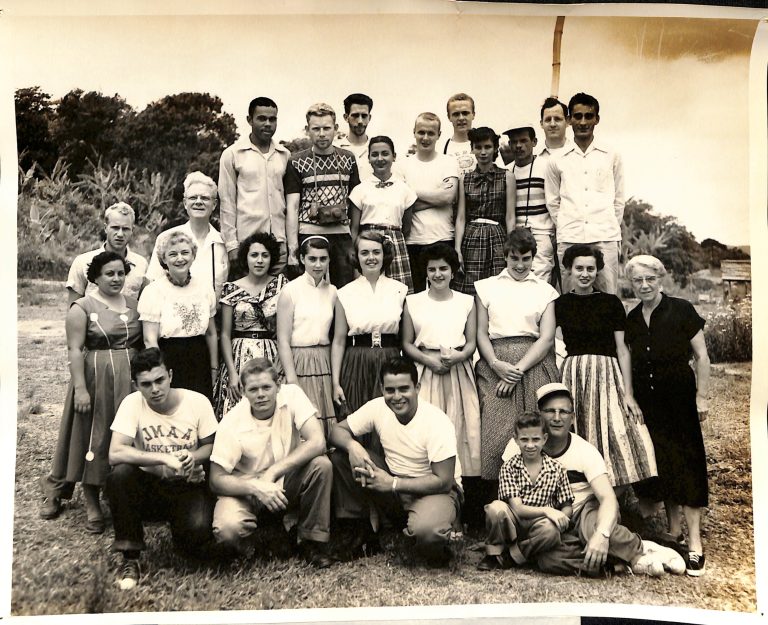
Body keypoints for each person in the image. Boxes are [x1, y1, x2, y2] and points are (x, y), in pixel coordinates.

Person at [502, 383, 681, 577]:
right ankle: (618, 561)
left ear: (573, 418)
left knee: (592, 529)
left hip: (582, 510)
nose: (557, 418)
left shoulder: (584, 450)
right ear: (539, 415)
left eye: (563, 412)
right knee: (549, 560)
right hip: (546, 519)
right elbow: (509, 495)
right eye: (550, 411)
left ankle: (639, 551)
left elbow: (608, 498)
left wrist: (602, 534)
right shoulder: (520, 445)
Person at [40, 251, 143, 532]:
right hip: (96, 377)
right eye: (109, 274)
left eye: (120, 273)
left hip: (129, 380)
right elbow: (74, 349)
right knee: (93, 437)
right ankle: (92, 502)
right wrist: (80, 389)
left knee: (125, 435)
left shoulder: (135, 305)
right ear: (95, 277)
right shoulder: (82, 307)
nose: (116, 278)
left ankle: (122, 495)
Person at [329, 356, 463, 567]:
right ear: (382, 389)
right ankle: (361, 530)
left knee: (427, 533)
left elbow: (444, 481)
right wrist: (353, 446)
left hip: (433, 491)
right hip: (394, 487)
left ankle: (438, 529)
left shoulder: (436, 421)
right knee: (341, 456)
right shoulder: (378, 407)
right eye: (390, 390)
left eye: (404, 389)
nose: (397, 397)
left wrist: (392, 483)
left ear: (417, 388)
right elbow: (336, 431)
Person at [624, 255, 711, 576]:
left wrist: (701, 397)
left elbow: (702, 356)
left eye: (650, 279)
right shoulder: (633, 318)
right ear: (631, 284)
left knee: (688, 462)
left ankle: (695, 543)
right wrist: (631, 397)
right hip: (650, 403)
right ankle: (674, 533)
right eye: (638, 280)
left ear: (661, 279)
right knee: (663, 464)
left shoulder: (682, 309)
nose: (644, 285)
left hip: (680, 399)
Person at [106, 348, 218, 590]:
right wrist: (163, 459)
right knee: (120, 474)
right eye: (146, 384)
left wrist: (192, 457)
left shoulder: (197, 402)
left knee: (195, 539)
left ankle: (183, 532)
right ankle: (130, 557)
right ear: (136, 385)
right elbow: (115, 453)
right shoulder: (132, 403)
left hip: (188, 484)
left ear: (171, 375)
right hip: (149, 486)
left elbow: (211, 447)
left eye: (160, 380)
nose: (155, 389)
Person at [210, 358, 335, 568]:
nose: (260, 394)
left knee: (321, 466)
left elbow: (317, 441)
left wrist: (273, 472)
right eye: (253, 389)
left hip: (285, 477)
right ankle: (255, 542)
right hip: (247, 487)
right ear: (243, 391)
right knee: (227, 530)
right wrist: (256, 487)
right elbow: (216, 479)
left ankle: (310, 541)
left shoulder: (292, 395)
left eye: (266, 387)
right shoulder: (232, 422)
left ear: (278, 386)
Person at [555, 244, 657, 489]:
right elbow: (553, 342)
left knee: (617, 428)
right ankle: (578, 491)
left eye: (590, 269)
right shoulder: (561, 304)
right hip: (574, 373)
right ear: (569, 270)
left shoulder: (611, 303)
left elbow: (622, 349)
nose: (585, 274)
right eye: (579, 268)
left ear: (598, 270)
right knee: (579, 429)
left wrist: (628, 393)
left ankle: (614, 494)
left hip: (607, 373)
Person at [401, 242, 482, 528]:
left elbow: (471, 343)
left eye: (443, 269)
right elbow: (407, 343)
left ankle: (461, 509)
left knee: (461, 433)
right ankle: (430, 506)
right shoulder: (413, 302)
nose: (438, 274)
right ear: (425, 272)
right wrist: (429, 360)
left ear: (453, 271)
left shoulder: (466, 301)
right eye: (432, 269)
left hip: (457, 372)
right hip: (426, 371)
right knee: (430, 434)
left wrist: (458, 356)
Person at [474, 228, 559, 487]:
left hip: (534, 363)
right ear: (505, 257)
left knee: (535, 430)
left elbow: (546, 338)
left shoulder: (545, 291)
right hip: (495, 362)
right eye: (514, 258)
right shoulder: (486, 287)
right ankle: (496, 495)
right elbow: (480, 332)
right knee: (496, 427)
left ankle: (539, 490)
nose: (520, 265)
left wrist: (517, 371)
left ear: (533, 258)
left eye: (526, 258)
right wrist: (496, 364)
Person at [544, 92, 624, 295]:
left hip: (605, 237)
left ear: (597, 119)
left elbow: (619, 199)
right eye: (577, 116)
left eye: (589, 116)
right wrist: (567, 224)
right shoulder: (556, 159)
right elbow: (553, 202)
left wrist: (607, 226)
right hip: (570, 236)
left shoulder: (611, 155)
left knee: (607, 298)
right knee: (571, 299)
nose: (583, 122)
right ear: (569, 120)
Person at [478, 411, 573, 570]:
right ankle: (494, 552)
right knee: (495, 508)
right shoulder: (509, 467)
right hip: (514, 522)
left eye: (535, 439)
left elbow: (567, 504)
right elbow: (517, 508)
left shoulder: (557, 468)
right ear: (516, 439)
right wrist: (548, 510)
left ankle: (513, 555)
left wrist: (562, 517)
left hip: (540, 525)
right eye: (524, 439)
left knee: (551, 530)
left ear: (544, 439)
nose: (530, 445)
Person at [212, 232, 288, 419]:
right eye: (254, 255)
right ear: (246, 258)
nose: (259, 260)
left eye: (265, 255)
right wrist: (232, 372)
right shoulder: (231, 288)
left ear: (272, 258)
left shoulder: (282, 286)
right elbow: (225, 335)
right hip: (240, 355)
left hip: (272, 353)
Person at [284, 102, 360, 288]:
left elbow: (356, 202)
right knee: (311, 289)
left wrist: (354, 241)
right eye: (316, 129)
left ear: (335, 128)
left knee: (344, 289)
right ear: (307, 130)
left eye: (326, 128)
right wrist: (293, 249)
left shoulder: (348, 158)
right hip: (309, 233)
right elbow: (292, 207)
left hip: (341, 234)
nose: (322, 134)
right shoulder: (296, 161)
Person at [332, 232, 407, 416]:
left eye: (376, 252)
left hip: (390, 360)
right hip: (356, 361)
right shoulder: (345, 293)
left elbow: (406, 340)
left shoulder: (400, 290)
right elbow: (339, 341)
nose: (371, 257)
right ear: (356, 256)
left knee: (389, 418)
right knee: (358, 417)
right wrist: (335, 383)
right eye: (364, 253)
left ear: (384, 255)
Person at [138, 231, 218, 401]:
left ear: (193, 256)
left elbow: (211, 333)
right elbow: (149, 339)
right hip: (169, 358)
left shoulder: (204, 287)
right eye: (173, 254)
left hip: (200, 357)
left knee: (199, 406)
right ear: (164, 259)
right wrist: (160, 373)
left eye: (185, 252)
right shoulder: (153, 291)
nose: (180, 258)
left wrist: (214, 367)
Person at [218, 96, 291, 277]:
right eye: (262, 118)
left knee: (278, 293)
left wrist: (289, 243)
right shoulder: (232, 154)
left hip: (279, 244)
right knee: (247, 294)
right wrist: (232, 246)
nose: (268, 124)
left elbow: (290, 203)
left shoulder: (285, 155)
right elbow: (226, 202)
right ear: (249, 120)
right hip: (247, 243)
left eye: (272, 119)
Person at [276, 236, 337, 434]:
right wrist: (292, 379)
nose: (318, 265)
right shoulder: (290, 290)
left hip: (323, 361)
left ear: (329, 260)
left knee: (323, 421)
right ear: (302, 259)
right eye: (312, 259)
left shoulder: (333, 292)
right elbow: (283, 340)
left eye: (323, 259)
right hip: (297, 360)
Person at [400, 112, 459, 292]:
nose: (425, 138)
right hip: (413, 241)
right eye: (421, 132)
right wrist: (438, 198)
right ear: (414, 132)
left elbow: (448, 197)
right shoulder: (402, 165)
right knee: (415, 296)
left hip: (443, 238)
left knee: (443, 295)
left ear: (439, 135)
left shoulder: (448, 162)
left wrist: (412, 192)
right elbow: (402, 206)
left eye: (431, 133)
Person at [348, 136, 416, 292]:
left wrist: (393, 237)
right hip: (368, 243)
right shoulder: (360, 190)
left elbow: (406, 227)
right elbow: (354, 228)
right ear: (369, 158)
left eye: (385, 153)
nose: (380, 159)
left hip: (395, 243)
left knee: (397, 291)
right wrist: (355, 252)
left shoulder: (404, 189)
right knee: (368, 289)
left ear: (394, 156)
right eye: (374, 154)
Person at [146, 172, 228, 300]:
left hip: (212, 311)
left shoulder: (224, 243)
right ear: (185, 203)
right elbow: (152, 283)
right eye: (193, 197)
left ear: (214, 204)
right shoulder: (167, 238)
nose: (198, 202)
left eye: (205, 198)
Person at [453, 127, 515, 296]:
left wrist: (511, 248)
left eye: (487, 147)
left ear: (495, 148)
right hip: (471, 237)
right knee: (470, 288)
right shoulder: (465, 179)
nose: (483, 152)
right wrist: (457, 249)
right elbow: (461, 217)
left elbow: (510, 216)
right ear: (472, 149)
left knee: (497, 289)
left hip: (497, 237)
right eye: (478, 147)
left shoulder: (507, 176)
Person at [504, 123, 556, 285]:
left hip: (541, 233)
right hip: (515, 235)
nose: (518, 146)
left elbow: (556, 202)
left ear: (534, 142)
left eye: (523, 140)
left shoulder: (547, 166)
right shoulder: (506, 171)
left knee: (540, 283)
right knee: (515, 283)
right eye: (514, 142)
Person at [66, 202, 147, 303]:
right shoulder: (83, 262)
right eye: (115, 228)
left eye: (125, 229)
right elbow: (73, 307)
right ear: (106, 228)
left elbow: (144, 307)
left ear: (132, 230)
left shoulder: (141, 265)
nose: (120, 234)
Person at [334, 93, 375, 181]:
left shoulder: (378, 149)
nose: (360, 121)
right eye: (355, 116)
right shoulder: (335, 148)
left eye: (364, 116)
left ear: (369, 118)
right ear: (346, 117)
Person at [443, 93, 477, 174]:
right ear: (449, 117)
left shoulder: (487, 145)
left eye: (465, 113)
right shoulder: (441, 148)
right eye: (456, 114)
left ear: (473, 115)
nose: (461, 118)